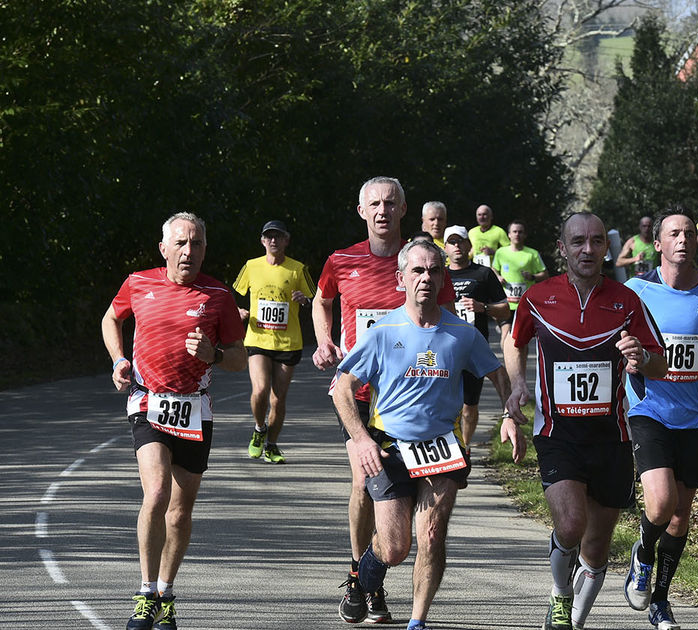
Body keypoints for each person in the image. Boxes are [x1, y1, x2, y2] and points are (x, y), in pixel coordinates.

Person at [333, 239, 526, 630]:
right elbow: (341, 388)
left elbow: (496, 372)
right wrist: (362, 438)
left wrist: (509, 412)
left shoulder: (462, 333)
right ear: (401, 278)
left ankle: (417, 621)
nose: (426, 277)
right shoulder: (383, 332)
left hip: (441, 447)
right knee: (394, 547)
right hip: (390, 448)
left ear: (443, 278)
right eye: (417, 271)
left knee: (433, 534)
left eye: (434, 270)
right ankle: (361, 576)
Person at [504, 212, 667, 630]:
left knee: (596, 548)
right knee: (572, 525)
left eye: (596, 241)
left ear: (606, 248)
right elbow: (514, 340)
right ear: (562, 248)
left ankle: (574, 622)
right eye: (578, 241)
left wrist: (640, 357)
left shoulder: (627, 300)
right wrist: (518, 384)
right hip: (557, 433)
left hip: (610, 436)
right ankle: (560, 596)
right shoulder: (538, 297)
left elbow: (660, 363)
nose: (588, 250)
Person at [312, 177, 457, 625]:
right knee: (362, 481)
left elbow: (446, 320)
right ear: (361, 211)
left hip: (412, 396)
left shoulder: (422, 264)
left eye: (390, 203)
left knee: (409, 507)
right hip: (358, 395)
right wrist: (323, 342)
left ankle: (377, 570)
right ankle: (363, 577)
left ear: (403, 209)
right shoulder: (341, 260)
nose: (382, 211)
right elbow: (322, 301)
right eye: (374, 204)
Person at [101, 212, 247, 630]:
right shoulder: (138, 282)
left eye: (196, 243)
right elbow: (112, 317)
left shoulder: (218, 295)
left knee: (180, 514)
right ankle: (145, 593)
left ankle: (166, 592)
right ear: (163, 249)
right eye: (181, 243)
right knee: (158, 492)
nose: (189, 251)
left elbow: (239, 357)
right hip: (148, 401)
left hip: (194, 408)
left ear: (205, 249)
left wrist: (215, 356)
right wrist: (119, 360)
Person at [621, 209, 698, 630]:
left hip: (692, 415)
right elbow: (615, 338)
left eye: (689, 233)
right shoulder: (636, 290)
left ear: (696, 242)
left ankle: (660, 601)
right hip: (648, 409)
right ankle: (644, 554)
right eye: (674, 233)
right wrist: (628, 357)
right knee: (661, 503)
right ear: (659, 244)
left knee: (682, 516)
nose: (683, 239)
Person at [232, 220, 315, 464]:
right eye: (269, 237)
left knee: (278, 398)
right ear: (262, 241)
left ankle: (272, 445)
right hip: (258, 338)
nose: (273, 241)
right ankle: (259, 428)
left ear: (286, 240)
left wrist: (304, 300)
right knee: (260, 389)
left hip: (288, 342)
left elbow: (315, 299)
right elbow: (233, 296)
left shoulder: (297, 269)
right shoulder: (251, 266)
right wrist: (236, 310)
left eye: (278, 236)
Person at [444, 225, 511, 446]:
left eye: (460, 241)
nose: (456, 246)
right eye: (452, 242)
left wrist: (482, 307)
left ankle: (466, 447)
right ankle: (451, 447)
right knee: (446, 405)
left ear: (469, 245)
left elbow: (504, 309)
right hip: (444, 350)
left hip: (474, 349)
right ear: (444, 248)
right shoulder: (439, 275)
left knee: (469, 406)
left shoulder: (483, 274)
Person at [492, 219, 549, 313]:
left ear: (525, 235)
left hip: (526, 304)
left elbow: (545, 275)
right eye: (514, 232)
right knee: (507, 328)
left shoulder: (532, 254)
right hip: (505, 304)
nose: (517, 234)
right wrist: (497, 276)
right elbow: (494, 269)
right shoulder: (500, 252)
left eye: (520, 232)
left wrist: (532, 277)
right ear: (509, 235)